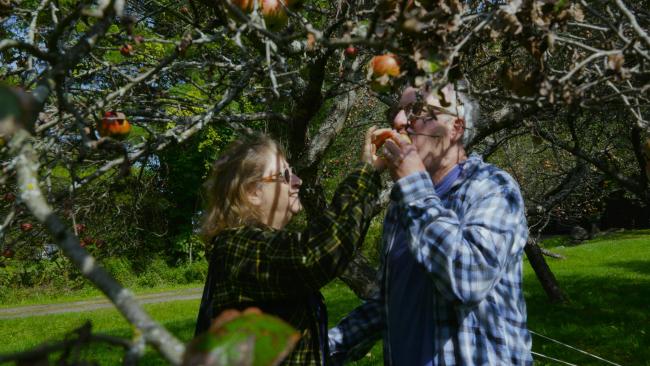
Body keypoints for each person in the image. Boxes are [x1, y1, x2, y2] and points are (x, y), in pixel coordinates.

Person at [329, 83, 533, 365]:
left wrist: (413, 186)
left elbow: (468, 281)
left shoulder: (493, 187)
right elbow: (387, 305)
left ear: (455, 129)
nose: (400, 121)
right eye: (397, 112)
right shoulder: (402, 206)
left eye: (418, 110)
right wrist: (323, 347)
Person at [194, 133, 382, 365]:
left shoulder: (260, 246)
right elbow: (315, 255)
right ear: (253, 192)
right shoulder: (236, 247)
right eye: (285, 175)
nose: (298, 181)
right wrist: (365, 171)